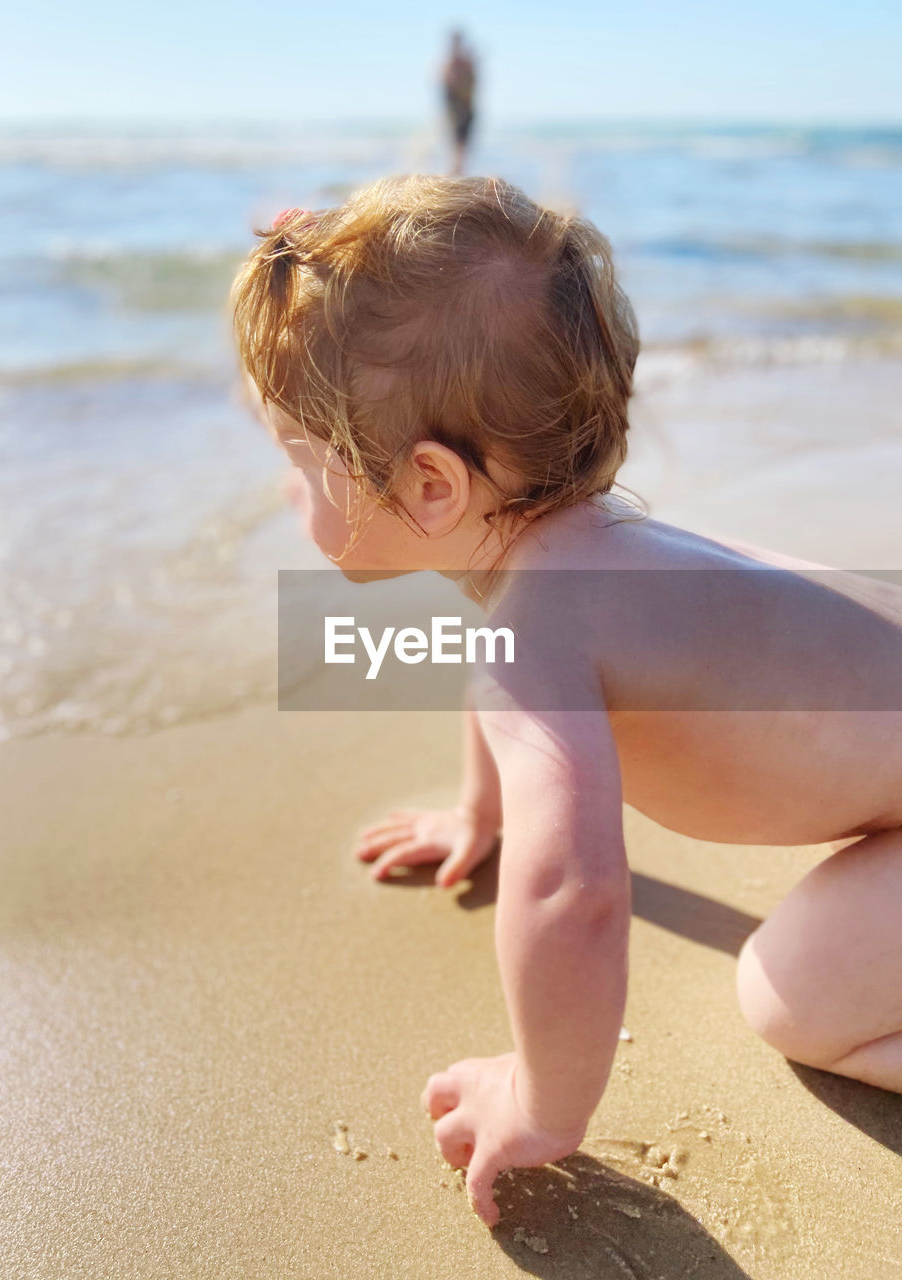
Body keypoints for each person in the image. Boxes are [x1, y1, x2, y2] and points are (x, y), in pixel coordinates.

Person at [231, 178, 902, 1228]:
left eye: (298, 462)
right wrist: (481, 811)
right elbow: (496, 685)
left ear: (431, 486)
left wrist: (541, 1097)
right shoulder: (563, 561)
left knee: (792, 992)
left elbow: (574, 894)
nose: (285, 493)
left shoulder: (532, 627)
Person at [441, 30, 477, 176]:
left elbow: (472, 81)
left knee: (461, 138)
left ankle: (458, 168)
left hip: (464, 104)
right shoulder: (451, 62)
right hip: (458, 105)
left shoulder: (463, 60)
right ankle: (457, 168)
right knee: (458, 137)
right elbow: (447, 82)